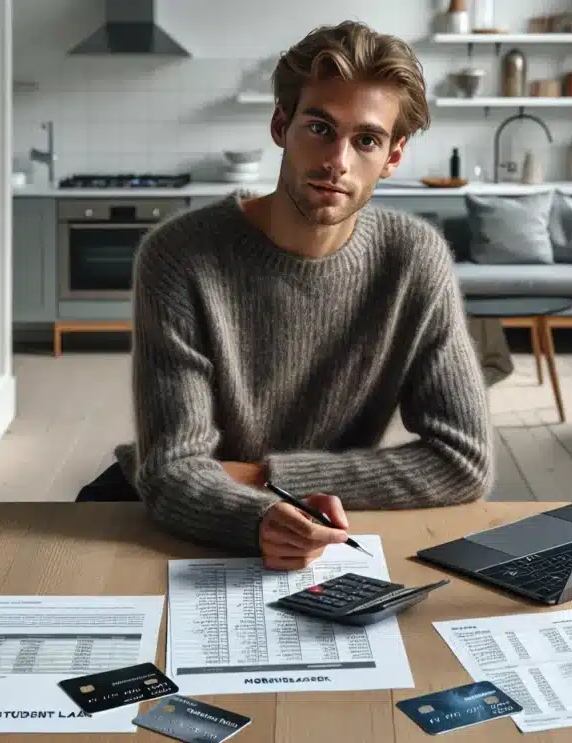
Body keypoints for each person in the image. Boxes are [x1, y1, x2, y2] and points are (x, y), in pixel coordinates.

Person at [111, 20, 495, 570]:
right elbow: (172, 469)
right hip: (175, 518)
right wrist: (258, 516)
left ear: (393, 156)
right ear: (280, 124)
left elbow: (462, 462)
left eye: (366, 140)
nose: (338, 160)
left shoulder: (414, 259)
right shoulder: (179, 257)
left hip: (324, 524)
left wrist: (271, 478)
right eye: (319, 128)